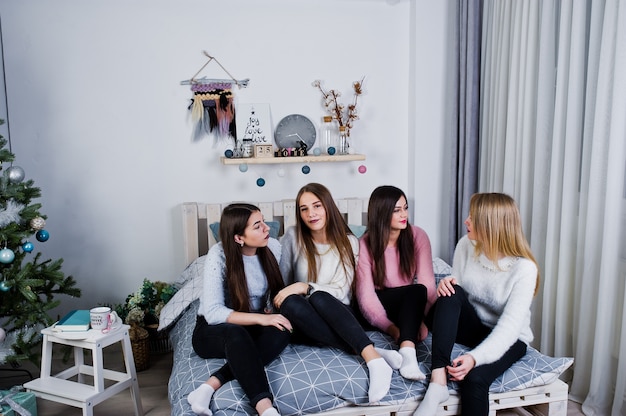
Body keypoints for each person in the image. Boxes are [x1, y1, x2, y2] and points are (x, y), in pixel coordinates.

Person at [273, 183, 402, 403]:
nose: (311, 213)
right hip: (304, 316)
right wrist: (283, 298)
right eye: (304, 209)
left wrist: (304, 286)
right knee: (290, 304)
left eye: (316, 206)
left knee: (319, 296)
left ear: (328, 206)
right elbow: (284, 283)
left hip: (337, 311)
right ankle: (372, 352)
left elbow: (342, 290)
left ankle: (373, 361)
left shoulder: (348, 241)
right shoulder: (294, 236)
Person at [416, 193, 540, 416]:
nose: (466, 221)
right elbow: (458, 290)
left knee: (475, 380)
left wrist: (475, 358)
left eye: (473, 217)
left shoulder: (524, 269)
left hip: (510, 338)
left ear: (490, 224)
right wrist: (445, 284)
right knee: (450, 291)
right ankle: (437, 382)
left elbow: (509, 329)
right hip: (473, 326)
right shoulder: (466, 244)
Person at [188, 203, 292, 416]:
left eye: (263, 221)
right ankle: (265, 408)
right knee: (236, 334)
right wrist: (261, 320)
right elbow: (214, 312)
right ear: (238, 238)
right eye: (257, 226)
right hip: (212, 329)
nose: (267, 229)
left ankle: (210, 384)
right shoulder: (218, 256)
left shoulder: (272, 247)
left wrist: (270, 313)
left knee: (283, 329)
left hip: (251, 323)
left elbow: (277, 292)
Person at [355, 185, 437, 381]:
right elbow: (366, 297)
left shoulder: (418, 236)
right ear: (382, 213)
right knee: (414, 291)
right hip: (379, 304)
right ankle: (407, 349)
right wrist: (392, 329)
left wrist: (422, 320)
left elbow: (428, 284)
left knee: (420, 291)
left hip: (409, 303)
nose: (404, 215)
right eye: (397, 210)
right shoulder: (364, 244)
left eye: (406, 208)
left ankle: (408, 353)